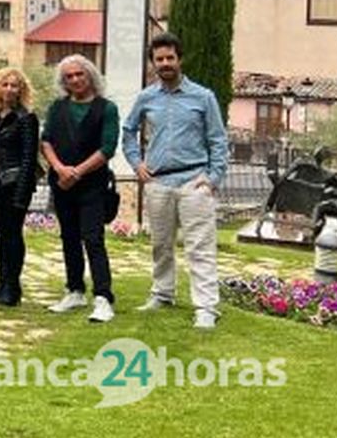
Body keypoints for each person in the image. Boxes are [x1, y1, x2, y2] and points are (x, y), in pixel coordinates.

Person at [121, 32, 228, 330]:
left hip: (195, 181)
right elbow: (128, 131)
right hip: (159, 181)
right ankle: (162, 293)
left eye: (170, 58)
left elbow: (219, 141)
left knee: (200, 246)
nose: (165, 63)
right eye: (159, 59)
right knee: (161, 245)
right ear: (153, 63)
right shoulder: (146, 97)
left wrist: (213, 178)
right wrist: (136, 163)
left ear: (180, 59)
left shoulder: (203, 97)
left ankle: (207, 307)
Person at [41, 55, 119, 323]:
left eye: (79, 74)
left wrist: (78, 172)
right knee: (69, 238)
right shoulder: (57, 107)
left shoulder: (106, 109)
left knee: (93, 238)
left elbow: (107, 148)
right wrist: (60, 169)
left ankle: (103, 297)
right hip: (61, 183)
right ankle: (74, 290)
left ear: (90, 75)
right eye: (69, 76)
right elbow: (47, 141)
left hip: (93, 185)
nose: (75, 80)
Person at [0, 67, 39, 306]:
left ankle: (12, 287)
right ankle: (2, 283)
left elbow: (28, 157)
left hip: (16, 183)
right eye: (4, 84)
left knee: (13, 235)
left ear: (21, 90)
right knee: (3, 234)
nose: (9, 89)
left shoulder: (26, 118)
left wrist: (21, 193)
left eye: (14, 85)